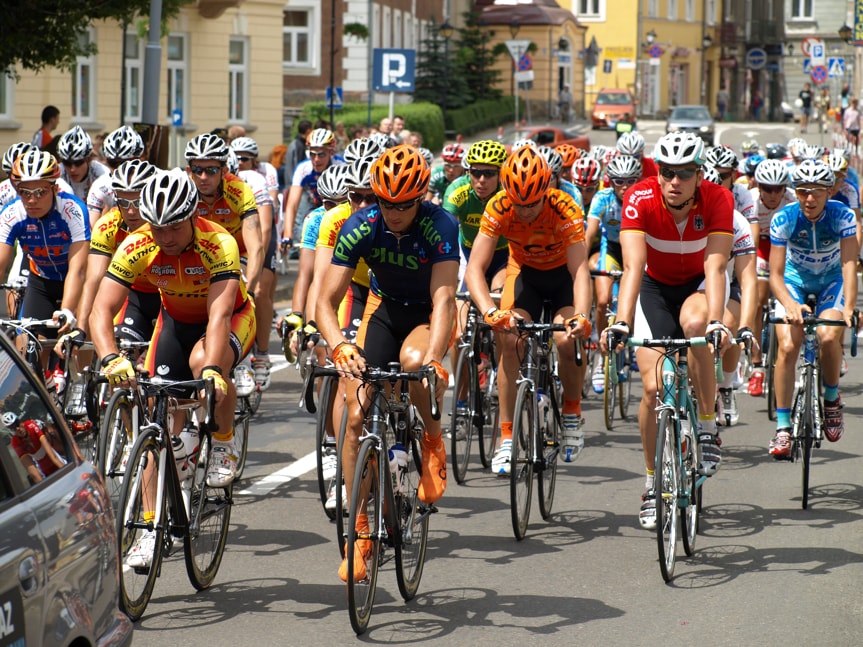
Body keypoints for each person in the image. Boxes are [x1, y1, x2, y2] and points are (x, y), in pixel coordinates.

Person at [91, 169, 255, 567]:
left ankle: (223, 441)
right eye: (157, 227)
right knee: (155, 429)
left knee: (205, 366)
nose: (164, 236)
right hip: (175, 324)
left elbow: (217, 315)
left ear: (193, 215)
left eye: (174, 227)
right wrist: (111, 356)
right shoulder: (138, 244)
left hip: (229, 318)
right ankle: (149, 529)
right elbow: (102, 308)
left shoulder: (219, 243)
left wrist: (215, 368)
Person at [316, 145, 458, 583]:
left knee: (415, 362)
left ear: (421, 198)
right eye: (385, 202)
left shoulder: (439, 224)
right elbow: (325, 300)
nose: (394, 213)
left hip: (426, 315)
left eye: (404, 205)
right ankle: (358, 532)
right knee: (354, 414)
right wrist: (339, 345)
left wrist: (435, 358)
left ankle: (432, 439)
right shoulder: (363, 224)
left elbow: (443, 298)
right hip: (383, 309)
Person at [600, 132, 733, 530]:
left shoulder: (718, 199)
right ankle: (653, 481)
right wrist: (621, 320)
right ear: (657, 173)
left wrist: (716, 320)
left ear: (699, 174)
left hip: (696, 285)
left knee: (696, 326)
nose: (675, 181)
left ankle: (707, 426)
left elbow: (716, 266)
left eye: (685, 173)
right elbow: (633, 267)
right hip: (654, 290)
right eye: (667, 172)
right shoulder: (638, 198)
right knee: (655, 388)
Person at [466, 145, 592, 472]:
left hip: (563, 276)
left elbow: (580, 270)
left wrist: (582, 315)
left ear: (546, 190)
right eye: (518, 204)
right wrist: (488, 310)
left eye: (532, 203)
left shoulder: (563, 207)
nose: (524, 211)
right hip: (525, 276)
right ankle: (507, 438)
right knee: (510, 341)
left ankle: (573, 412)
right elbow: (474, 269)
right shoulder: (499, 206)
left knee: (566, 340)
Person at [767, 160, 857, 457]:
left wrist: (850, 309)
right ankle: (782, 428)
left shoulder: (842, 215)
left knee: (830, 335)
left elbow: (848, 265)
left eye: (816, 191)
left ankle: (831, 401)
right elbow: (776, 275)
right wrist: (791, 305)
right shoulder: (784, 218)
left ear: (829, 191)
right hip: (794, 281)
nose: (809, 198)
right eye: (802, 191)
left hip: (832, 279)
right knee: (788, 346)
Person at [0, 150, 89, 358]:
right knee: (26, 347)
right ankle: (45, 386)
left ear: (55, 188)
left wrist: (67, 311)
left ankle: (82, 388)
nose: (32, 200)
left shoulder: (72, 210)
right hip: (42, 282)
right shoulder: (12, 215)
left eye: (40, 192)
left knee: (79, 344)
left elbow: (78, 270)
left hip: (75, 280)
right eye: (24, 192)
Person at [585, 154, 642, 393]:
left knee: (639, 296)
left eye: (630, 181)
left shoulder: (642, 200)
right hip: (612, 249)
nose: (625, 186)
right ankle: (601, 355)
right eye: (619, 181)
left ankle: (635, 342)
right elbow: (589, 235)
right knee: (603, 301)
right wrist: (579, 264)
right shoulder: (602, 198)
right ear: (610, 181)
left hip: (636, 247)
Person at [746, 159, 795, 396]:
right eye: (768, 188)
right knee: (757, 301)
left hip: (787, 249)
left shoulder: (794, 200)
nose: (773, 194)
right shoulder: (751, 200)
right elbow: (748, 240)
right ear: (759, 186)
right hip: (761, 248)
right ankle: (757, 368)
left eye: (778, 189)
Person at [282, 128, 343, 260]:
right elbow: (292, 205)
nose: (316, 159)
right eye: (312, 154)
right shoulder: (303, 168)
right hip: (316, 207)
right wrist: (287, 235)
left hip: (338, 208)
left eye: (321, 154)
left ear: (331, 152)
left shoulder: (341, 166)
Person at [85, 125, 145, 226]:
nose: (119, 169)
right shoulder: (101, 186)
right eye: (113, 163)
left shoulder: (156, 180)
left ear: (140, 159)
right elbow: (93, 229)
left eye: (126, 163)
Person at [56, 126, 110, 202]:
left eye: (78, 163)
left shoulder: (102, 173)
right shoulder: (57, 173)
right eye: (67, 163)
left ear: (89, 159)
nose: (72, 169)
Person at [8, 414, 66, 483]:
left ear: (21, 422)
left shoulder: (30, 425)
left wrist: (67, 472)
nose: (18, 429)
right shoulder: (15, 442)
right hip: (44, 471)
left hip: (55, 461)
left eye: (17, 424)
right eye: (13, 428)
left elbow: (53, 457)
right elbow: (33, 473)